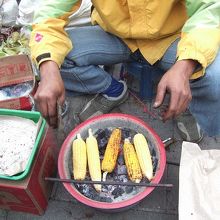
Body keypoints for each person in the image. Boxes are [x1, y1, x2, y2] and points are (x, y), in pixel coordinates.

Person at [29, 1, 220, 142]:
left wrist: (184, 66)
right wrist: (48, 68)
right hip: (116, 36)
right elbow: (48, 13)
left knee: (212, 76)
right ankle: (113, 90)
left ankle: (183, 105)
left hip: (171, 39)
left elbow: (209, 9)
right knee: (51, 58)